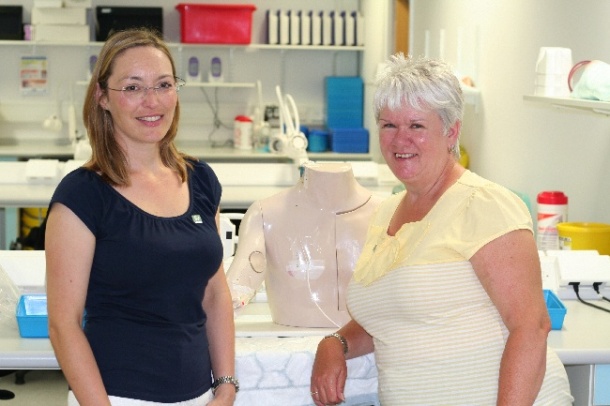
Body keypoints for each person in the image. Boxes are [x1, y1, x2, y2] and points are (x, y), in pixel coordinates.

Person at [310, 54, 573, 405]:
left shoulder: (484, 204)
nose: (400, 140)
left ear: (451, 131)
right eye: (389, 125)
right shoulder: (385, 212)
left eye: (416, 126)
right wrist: (335, 343)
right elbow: (393, 317)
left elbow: (531, 327)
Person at [45, 28, 236, 406]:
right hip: (117, 396)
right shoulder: (82, 195)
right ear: (102, 97)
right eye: (133, 88)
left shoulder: (200, 181)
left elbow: (214, 292)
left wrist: (226, 387)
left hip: (200, 394)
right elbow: (63, 324)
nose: (152, 101)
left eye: (163, 84)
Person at [227, 161, 382, 328]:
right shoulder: (265, 214)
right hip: (291, 335)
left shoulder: (386, 212)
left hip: (365, 341)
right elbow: (236, 288)